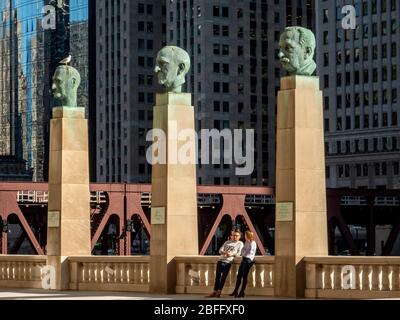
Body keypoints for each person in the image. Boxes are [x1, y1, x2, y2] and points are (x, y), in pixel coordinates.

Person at [206, 229, 244, 298]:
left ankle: (219, 292)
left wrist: (231, 254)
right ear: (231, 236)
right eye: (233, 235)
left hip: (228, 262)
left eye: (236, 235)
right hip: (220, 260)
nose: (235, 237)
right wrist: (224, 252)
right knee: (217, 277)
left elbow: (239, 253)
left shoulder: (240, 243)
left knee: (223, 277)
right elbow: (220, 250)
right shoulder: (227, 242)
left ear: (239, 236)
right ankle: (214, 291)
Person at [230, 231, 257, 298]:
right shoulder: (246, 242)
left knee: (244, 276)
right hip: (244, 259)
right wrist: (244, 252)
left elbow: (250, 252)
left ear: (248, 235)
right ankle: (235, 291)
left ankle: (242, 291)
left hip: (248, 260)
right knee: (239, 276)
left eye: (245, 235)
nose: (244, 236)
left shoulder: (253, 243)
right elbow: (242, 250)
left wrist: (244, 252)